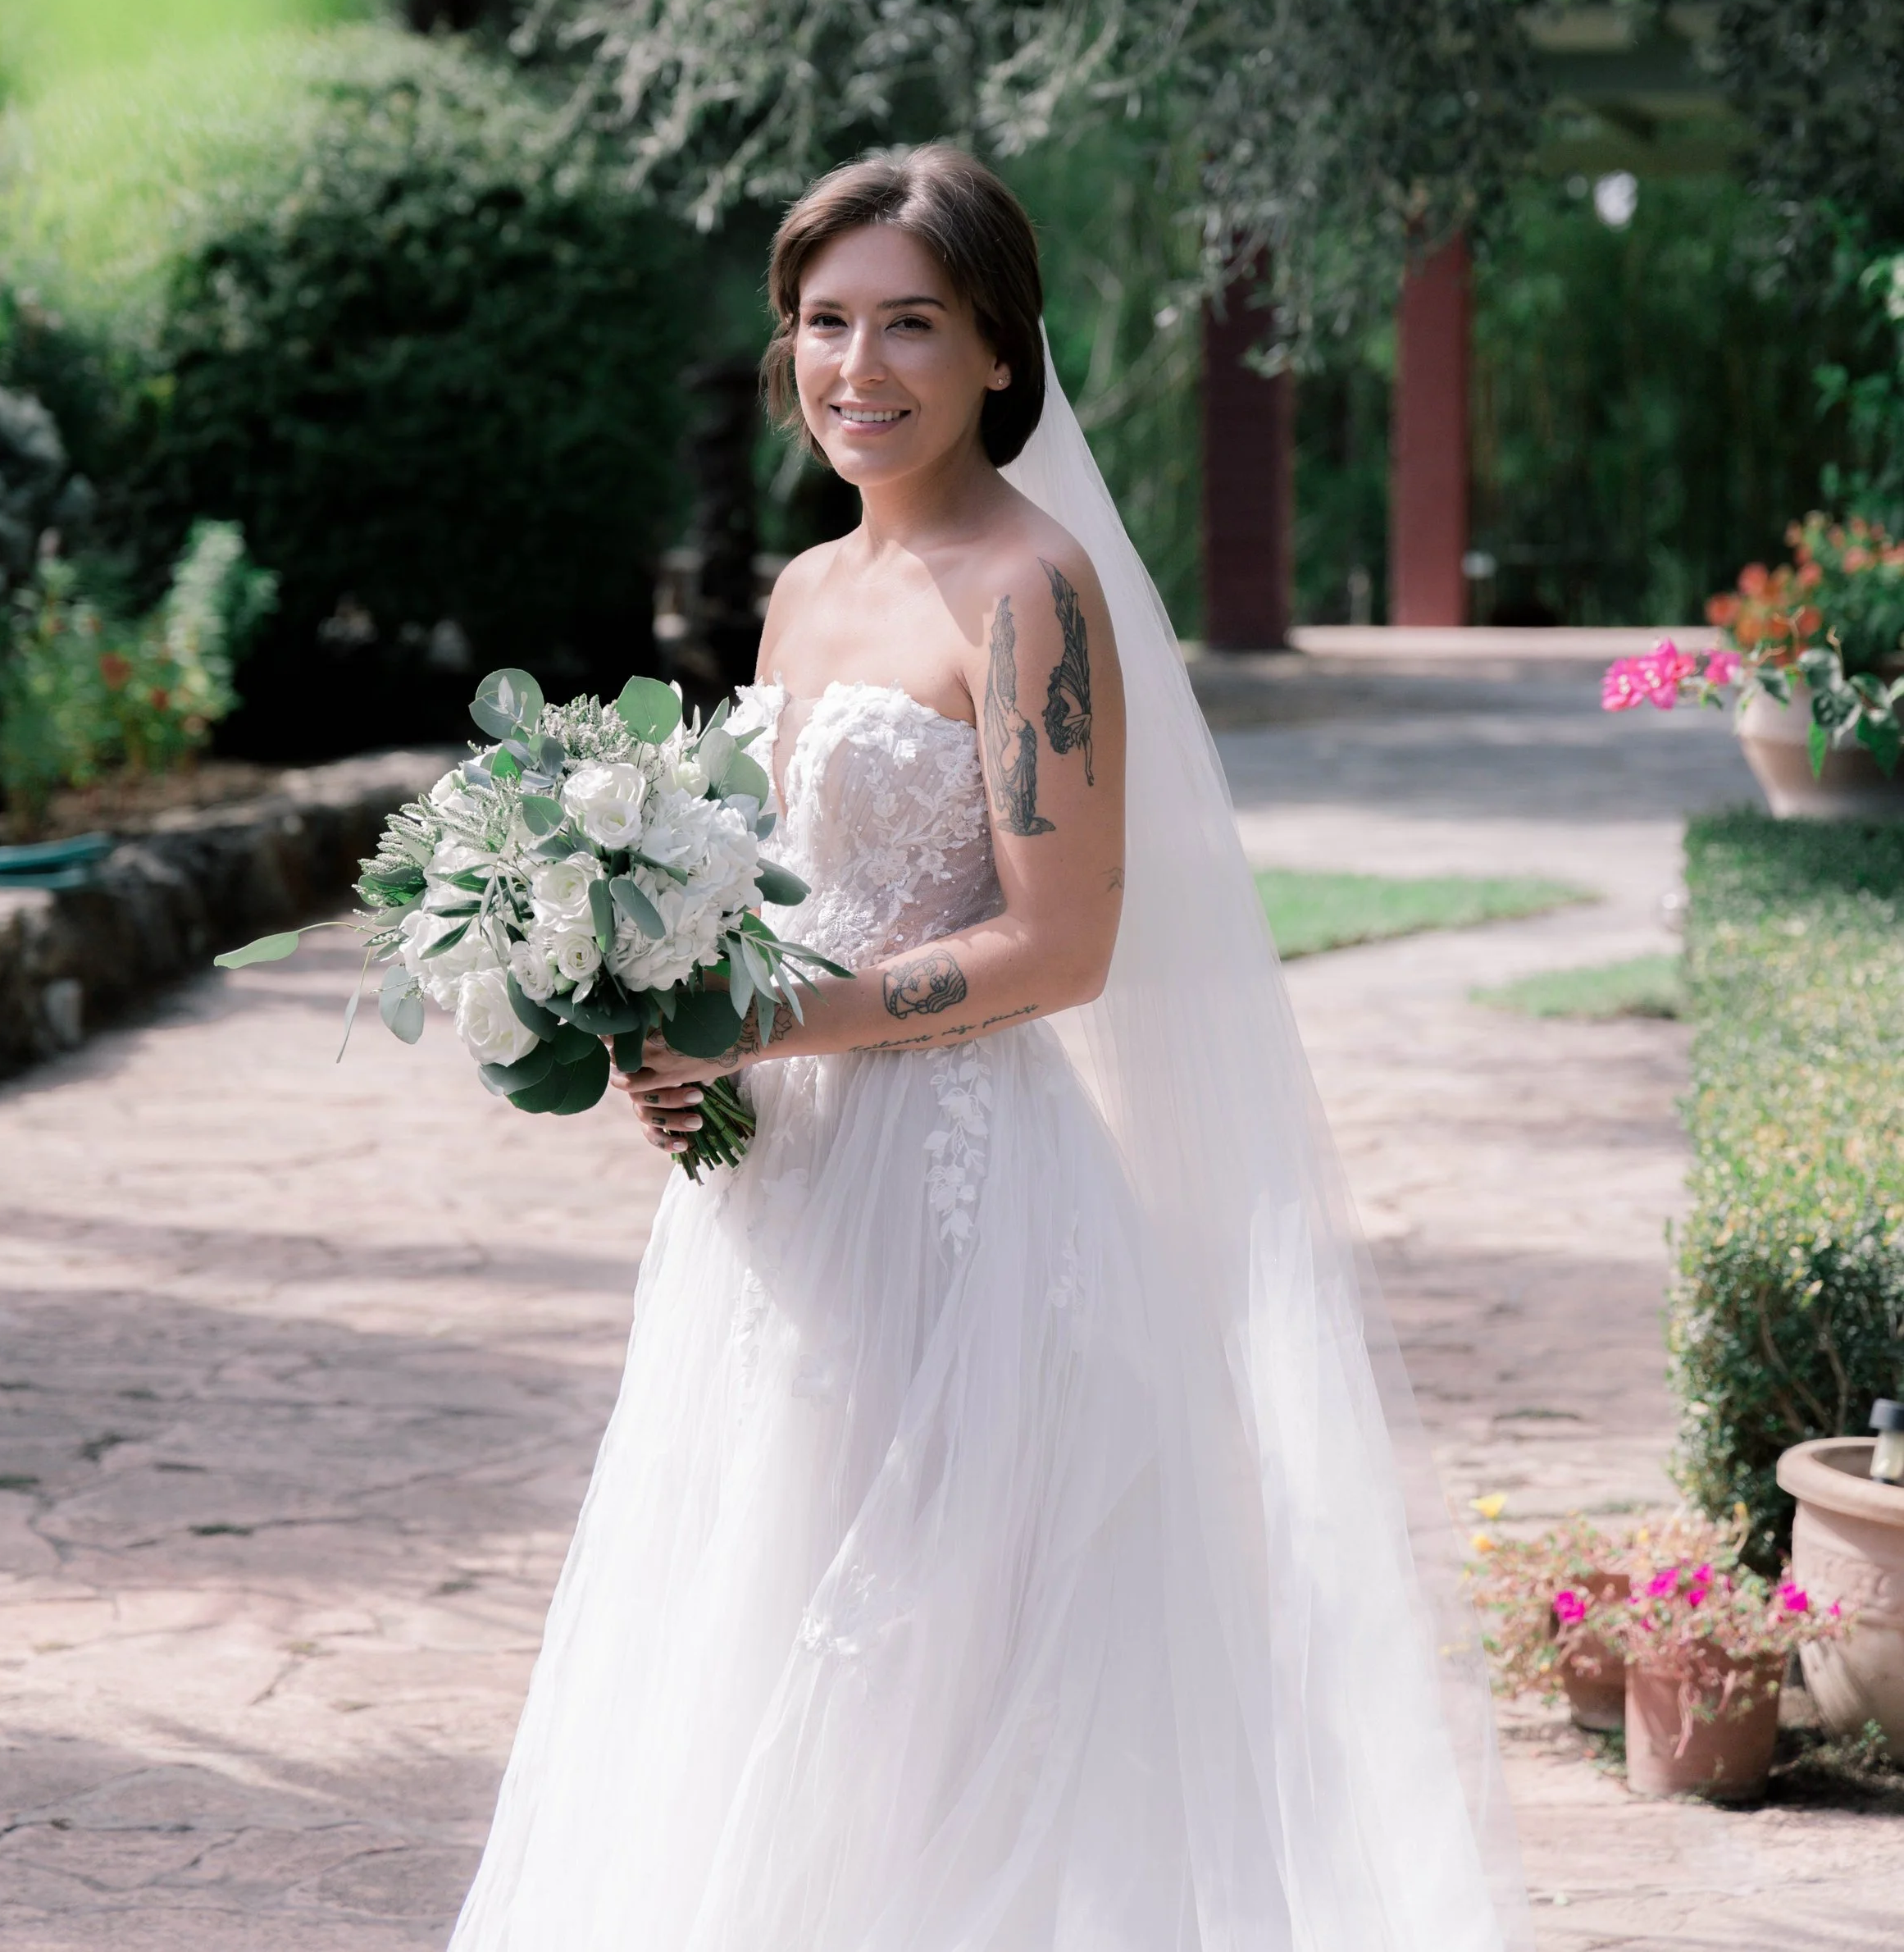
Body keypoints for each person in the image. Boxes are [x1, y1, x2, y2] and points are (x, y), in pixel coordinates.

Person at [449, 146, 1528, 1952]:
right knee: (752, 1603)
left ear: (1001, 357)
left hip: (951, 1193)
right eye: (822, 323)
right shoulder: (800, 590)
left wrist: (775, 1019)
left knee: (926, 1655)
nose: (854, 368)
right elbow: (765, 883)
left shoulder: (1032, 592)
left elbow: (1060, 942)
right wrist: (661, 1017)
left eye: (908, 327)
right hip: (774, 1193)